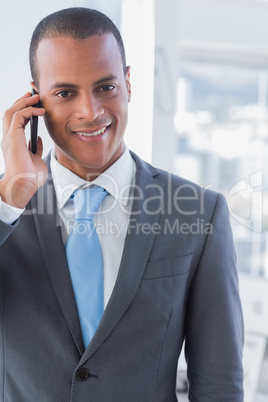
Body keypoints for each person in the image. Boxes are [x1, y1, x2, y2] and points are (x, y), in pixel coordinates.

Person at [0, 7, 244, 402]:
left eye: (105, 87)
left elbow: (220, 384)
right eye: (65, 93)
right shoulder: (5, 209)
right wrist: (10, 198)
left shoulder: (200, 213)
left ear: (128, 83)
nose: (90, 112)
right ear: (35, 100)